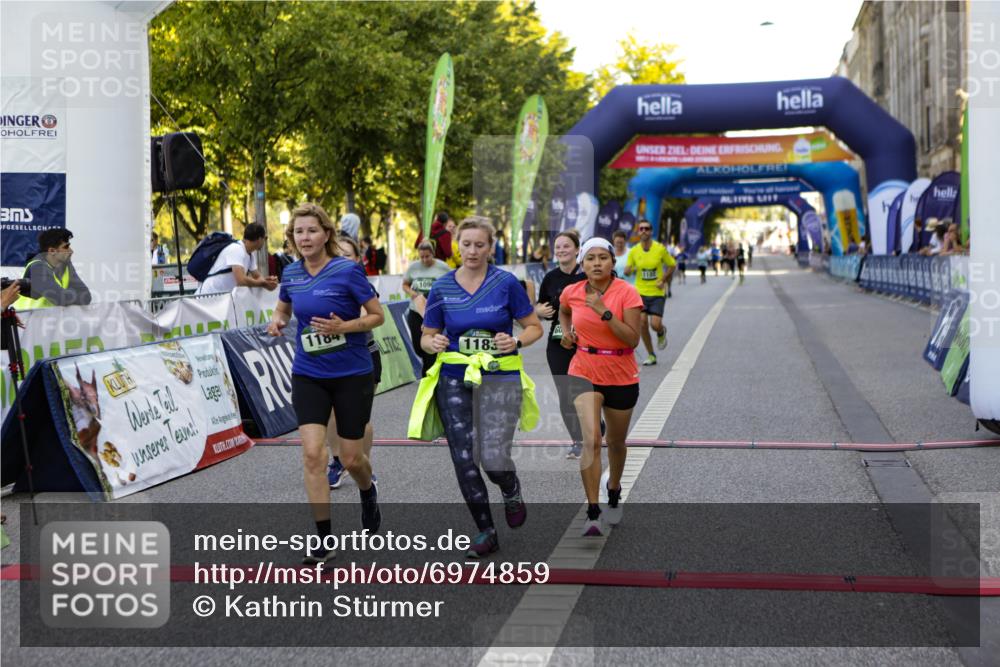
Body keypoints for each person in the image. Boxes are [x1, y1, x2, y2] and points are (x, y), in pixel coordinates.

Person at [266, 203, 384, 565]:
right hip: (309, 373)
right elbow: (284, 308)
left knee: (351, 458)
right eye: (298, 232)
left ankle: (368, 489)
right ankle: (323, 539)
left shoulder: (347, 270)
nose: (304, 238)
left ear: (326, 234)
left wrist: (343, 327)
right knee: (313, 454)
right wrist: (277, 320)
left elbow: (377, 315)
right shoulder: (291, 273)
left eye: (311, 231)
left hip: (352, 372)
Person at [420, 216, 543, 558]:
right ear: (457, 246)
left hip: (499, 375)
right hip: (454, 377)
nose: (472, 251)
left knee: (492, 456)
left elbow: (534, 327)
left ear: (490, 247)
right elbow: (426, 337)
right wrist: (433, 343)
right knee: (463, 457)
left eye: (480, 245)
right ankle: (486, 531)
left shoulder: (506, 283)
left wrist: (516, 341)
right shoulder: (442, 287)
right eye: (466, 244)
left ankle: (510, 486)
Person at [558, 237, 642, 537]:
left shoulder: (627, 293)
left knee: (616, 443)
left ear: (612, 262)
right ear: (582, 263)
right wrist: (566, 333)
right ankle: (593, 511)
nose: (596, 263)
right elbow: (563, 310)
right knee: (592, 441)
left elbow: (632, 339)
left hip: (621, 372)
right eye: (590, 258)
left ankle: (614, 488)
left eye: (602, 258)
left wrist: (604, 311)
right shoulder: (572, 291)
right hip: (583, 369)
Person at [325, 235, 383, 490]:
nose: (341, 259)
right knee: (332, 412)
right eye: (336, 254)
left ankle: (363, 463)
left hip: (363, 355)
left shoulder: (360, 283)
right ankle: (337, 462)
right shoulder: (322, 283)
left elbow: (368, 316)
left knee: (359, 418)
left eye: (347, 255)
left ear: (358, 259)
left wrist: (343, 324)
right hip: (332, 356)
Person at [535, 231, 587, 459]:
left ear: (577, 250)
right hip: (558, 341)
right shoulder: (550, 278)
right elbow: (541, 308)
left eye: (566, 246)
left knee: (586, 391)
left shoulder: (587, 274)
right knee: (565, 393)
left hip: (587, 341)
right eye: (558, 247)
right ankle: (578, 440)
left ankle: (596, 425)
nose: (561, 250)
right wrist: (538, 310)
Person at [624, 220, 674, 366]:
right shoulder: (634, 251)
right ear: (638, 232)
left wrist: (663, 279)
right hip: (640, 292)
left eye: (647, 228)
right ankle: (651, 354)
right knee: (642, 322)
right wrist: (627, 270)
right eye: (641, 229)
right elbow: (628, 269)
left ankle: (661, 331)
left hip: (657, 292)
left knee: (655, 324)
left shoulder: (660, 249)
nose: (644, 231)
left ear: (651, 231)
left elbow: (672, 265)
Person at [403, 241, 451, 375]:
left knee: (430, 345)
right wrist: (412, 293)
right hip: (416, 311)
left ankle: (429, 374)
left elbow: (451, 283)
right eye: (421, 257)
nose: (424, 260)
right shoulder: (413, 267)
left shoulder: (443, 267)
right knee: (418, 346)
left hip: (435, 312)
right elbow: (405, 284)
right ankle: (428, 366)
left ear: (433, 254)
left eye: (427, 256)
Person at [13, 228, 92, 309]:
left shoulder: (66, 265)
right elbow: (60, 299)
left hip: (48, 316)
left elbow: (86, 296)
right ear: (52, 251)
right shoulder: (37, 267)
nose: (71, 251)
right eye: (66, 247)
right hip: (27, 316)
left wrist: (63, 294)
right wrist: (67, 294)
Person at [195, 223, 277, 295]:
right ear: (259, 239)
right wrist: (263, 283)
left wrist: (268, 282)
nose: (265, 241)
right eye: (265, 238)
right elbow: (241, 280)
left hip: (221, 298)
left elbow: (257, 277)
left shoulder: (250, 255)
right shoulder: (236, 249)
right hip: (207, 296)